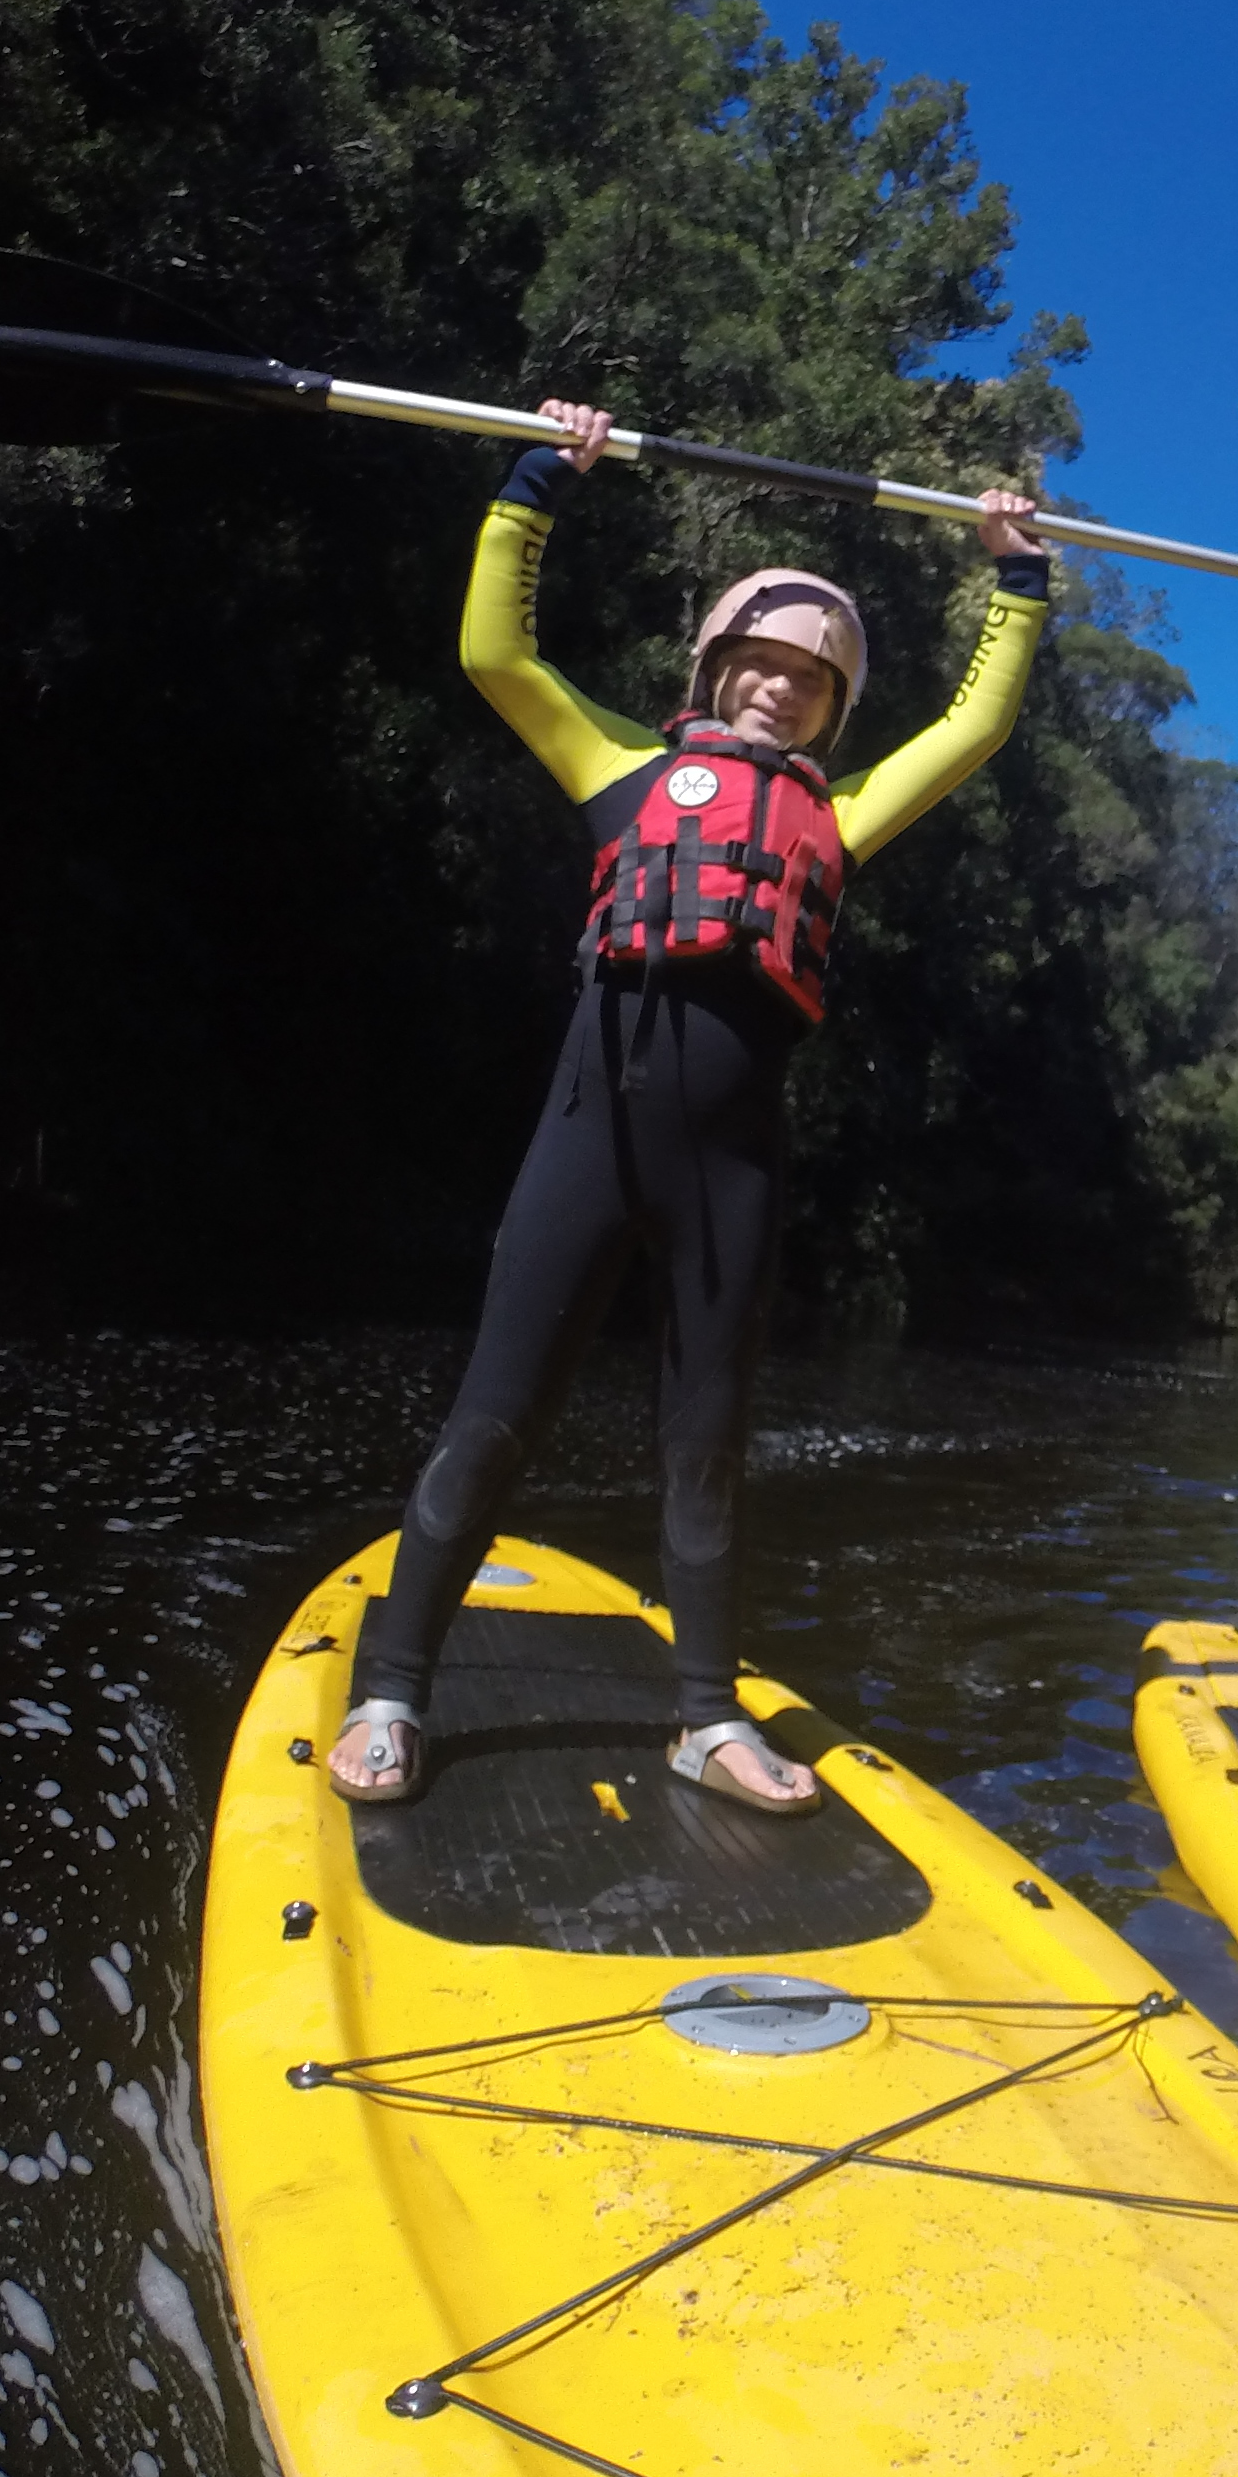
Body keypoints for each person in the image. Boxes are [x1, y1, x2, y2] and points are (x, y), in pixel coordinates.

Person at [329, 403, 1048, 1814]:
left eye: (810, 681)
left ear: (835, 711)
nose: (779, 691)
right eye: (759, 664)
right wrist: (541, 480)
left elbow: (974, 726)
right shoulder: (618, 767)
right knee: (496, 1417)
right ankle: (393, 1690)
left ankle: (707, 1719)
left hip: (730, 1167)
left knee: (707, 1438)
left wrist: (1014, 575)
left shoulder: (839, 817)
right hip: (585, 1142)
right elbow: (495, 655)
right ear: (714, 667)